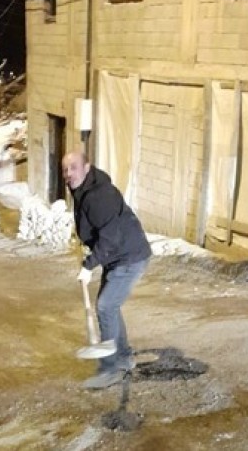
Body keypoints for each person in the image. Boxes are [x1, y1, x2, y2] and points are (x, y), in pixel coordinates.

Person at [62, 151, 153, 389]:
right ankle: (123, 357)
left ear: (87, 167)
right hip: (117, 256)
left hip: (128, 256)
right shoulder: (83, 189)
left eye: (73, 167)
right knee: (110, 306)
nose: (68, 173)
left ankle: (110, 369)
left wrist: (89, 265)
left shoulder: (98, 195)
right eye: (65, 169)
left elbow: (110, 236)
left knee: (105, 306)